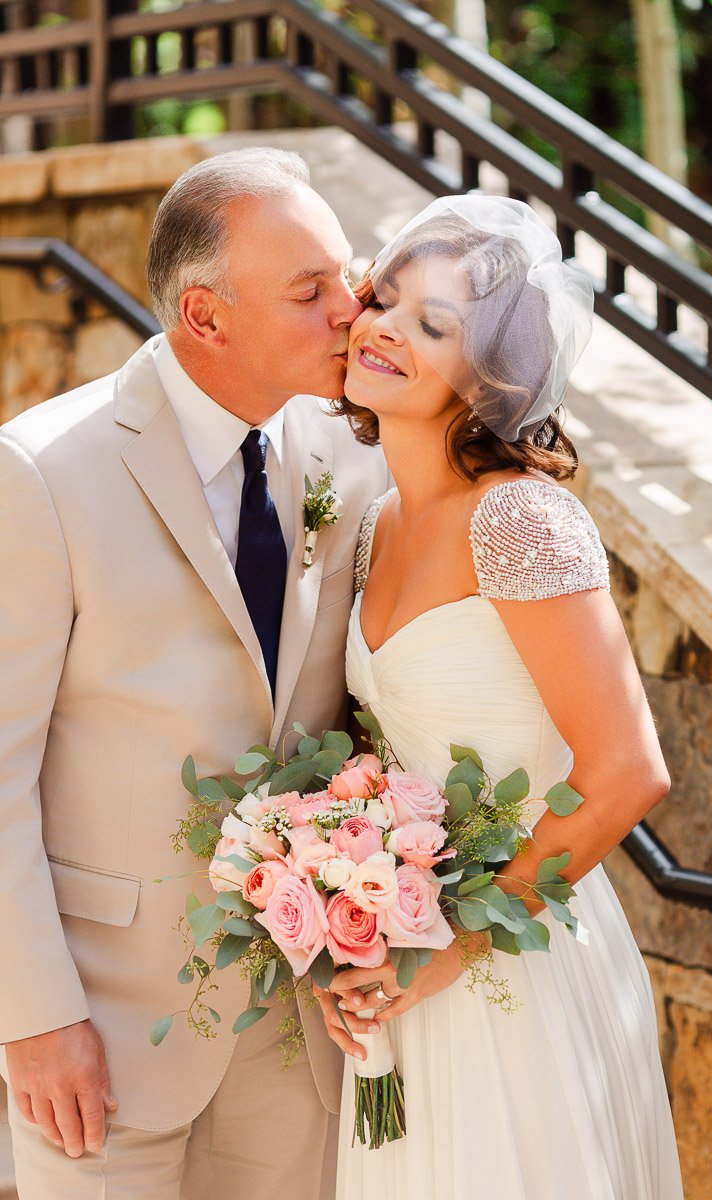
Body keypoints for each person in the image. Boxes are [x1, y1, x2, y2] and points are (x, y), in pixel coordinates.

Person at [0, 147, 388, 1200]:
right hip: (104, 1038)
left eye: (344, 275)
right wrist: (32, 1019)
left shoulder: (354, 454)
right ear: (205, 317)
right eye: (310, 291)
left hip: (299, 1025)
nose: (350, 308)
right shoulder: (40, 470)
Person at [317, 195, 684, 1199]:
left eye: (433, 325)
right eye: (383, 299)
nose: (385, 327)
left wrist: (447, 945)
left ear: (493, 377)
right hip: (400, 965)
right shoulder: (369, 522)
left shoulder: (519, 517)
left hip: (510, 955)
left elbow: (625, 772)